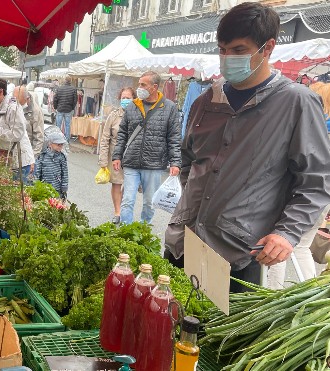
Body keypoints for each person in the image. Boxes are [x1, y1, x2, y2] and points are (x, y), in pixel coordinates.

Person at [164, 2, 330, 292]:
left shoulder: (296, 103)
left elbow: (316, 181)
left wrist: (286, 233)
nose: (227, 58)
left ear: (267, 48)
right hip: (182, 244)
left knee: (216, 336)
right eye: (222, 49)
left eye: (239, 50)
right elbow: (189, 160)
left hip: (237, 256)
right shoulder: (205, 102)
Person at [112, 71, 181, 225]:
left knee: (149, 202)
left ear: (154, 87)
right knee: (127, 200)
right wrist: (117, 156)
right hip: (131, 161)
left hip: (154, 163)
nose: (139, 88)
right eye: (139, 84)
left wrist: (175, 162)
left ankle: (144, 229)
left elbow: (174, 137)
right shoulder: (133, 106)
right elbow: (122, 133)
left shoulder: (169, 108)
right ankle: (126, 231)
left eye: (143, 84)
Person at [98, 87, 136, 225]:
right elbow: (105, 137)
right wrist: (103, 160)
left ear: (134, 98)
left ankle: (126, 210)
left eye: (128, 98)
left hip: (132, 156)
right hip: (116, 157)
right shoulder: (113, 115)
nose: (125, 100)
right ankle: (118, 212)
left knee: (130, 185)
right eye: (123, 98)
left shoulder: (138, 114)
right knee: (117, 184)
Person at [14, 84, 45, 159]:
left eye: (20, 104)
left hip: (27, 153)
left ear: (27, 99)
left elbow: (38, 137)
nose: (18, 106)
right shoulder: (12, 104)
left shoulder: (35, 111)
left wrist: (32, 157)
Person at [35, 131, 68, 199]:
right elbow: (37, 172)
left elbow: (65, 174)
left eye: (61, 144)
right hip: (44, 187)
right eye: (58, 144)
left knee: (56, 205)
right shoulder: (42, 156)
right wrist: (36, 184)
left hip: (57, 189)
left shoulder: (62, 157)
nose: (60, 146)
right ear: (50, 144)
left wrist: (64, 188)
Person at [53, 76, 78, 142]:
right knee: (67, 125)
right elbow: (75, 100)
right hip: (68, 109)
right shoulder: (73, 89)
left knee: (58, 125)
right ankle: (67, 140)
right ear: (70, 81)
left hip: (60, 109)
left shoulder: (59, 88)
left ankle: (57, 139)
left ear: (64, 80)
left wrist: (55, 107)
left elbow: (55, 99)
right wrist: (72, 107)